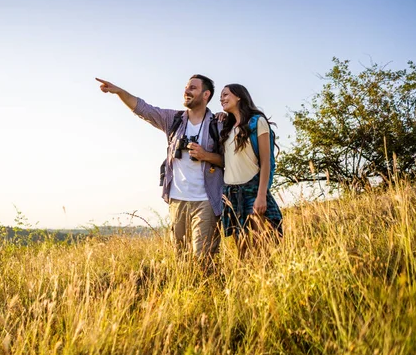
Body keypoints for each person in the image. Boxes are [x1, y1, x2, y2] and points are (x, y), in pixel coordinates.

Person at [96, 75, 224, 258]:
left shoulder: (219, 124)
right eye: (186, 87)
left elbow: (228, 162)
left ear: (206, 95)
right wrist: (119, 92)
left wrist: (206, 156)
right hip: (177, 199)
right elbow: (143, 109)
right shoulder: (173, 119)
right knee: (181, 257)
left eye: (193, 88)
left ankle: (209, 286)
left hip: (206, 200)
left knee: (202, 256)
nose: (186, 91)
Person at [218, 84, 283, 256]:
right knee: (243, 251)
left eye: (225, 95)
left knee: (262, 247)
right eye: (220, 97)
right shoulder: (227, 127)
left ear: (239, 96)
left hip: (252, 190)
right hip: (231, 193)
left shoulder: (257, 122)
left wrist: (262, 195)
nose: (222, 99)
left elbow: (266, 162)